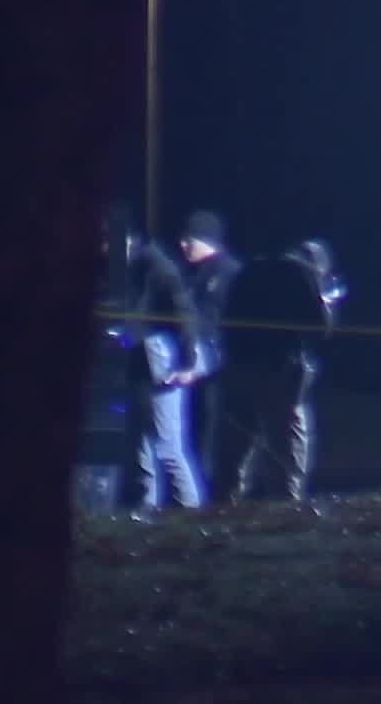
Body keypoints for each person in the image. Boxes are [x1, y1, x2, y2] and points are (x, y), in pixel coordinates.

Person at [219, 237, 347, 502]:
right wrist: (327, 301)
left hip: (239, 365)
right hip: (280, 368)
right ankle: (285, 506)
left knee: (236, 442)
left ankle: (223, 503)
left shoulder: (249, 270)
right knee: (286, 441)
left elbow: (225, 318)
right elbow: (319, 326)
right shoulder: (302, 274)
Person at [114, 219, 206, 510]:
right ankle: (146, 507)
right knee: (140, 444)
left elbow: (185, 315)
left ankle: (190, 510)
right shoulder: (139, 268)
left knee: (167, 446)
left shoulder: (157, 268)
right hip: (143, 366)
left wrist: (188, 363)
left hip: (162, 367)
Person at [174, 210, 242, 489]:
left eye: (189, 239)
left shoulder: (229, 273)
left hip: (217, 372)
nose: (182, 244)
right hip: (192, 369)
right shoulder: (190, 273)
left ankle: (208, 497)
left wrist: (200, 365)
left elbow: (220, 328)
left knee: (209, 438)